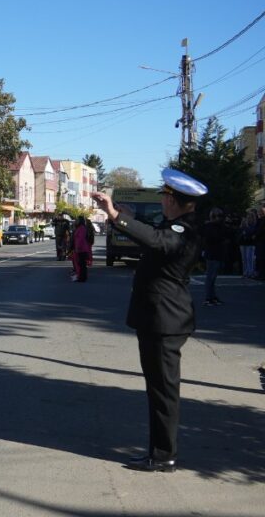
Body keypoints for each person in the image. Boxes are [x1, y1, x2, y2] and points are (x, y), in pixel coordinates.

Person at [92, 167, 206, 473]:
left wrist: (116, 214)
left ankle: (163, 455)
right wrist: (125, 216)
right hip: (159, 320)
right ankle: (159, 451)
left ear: (175, 201)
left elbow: (157, 240)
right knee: (158, 390)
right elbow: (155, 235)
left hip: (164, 322)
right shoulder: (179, 226)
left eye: (165, 197)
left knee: (163, 393)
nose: (162, 203)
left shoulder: (185, 230)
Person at [200, 208, 227, 305]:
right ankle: (208, 297)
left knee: (213, 277)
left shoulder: (218, 226)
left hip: (216, 253)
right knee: (210, 277)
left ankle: (212, 296)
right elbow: (211, 239)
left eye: (220, 216)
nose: (219, 218)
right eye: (218, 216)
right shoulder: (210, 227)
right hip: (212, 253)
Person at [238, 208, 258, 278]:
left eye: (250, 217)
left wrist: (246, 229)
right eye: (248, 217)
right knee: (244, 258)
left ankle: (250, 272)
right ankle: (245, 272)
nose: (248, 218)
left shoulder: (254, 225)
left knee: (250, 258)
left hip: (251, 243)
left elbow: (251, 232)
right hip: (243, 243)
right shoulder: (244, 224)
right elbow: (240, 231)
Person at [72, 215, 92, 283]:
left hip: (81, 248)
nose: (76, 221)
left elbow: (81, 239)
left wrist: (78, 247)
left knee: (82, 264)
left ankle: (82, 278)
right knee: (81, 264)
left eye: (77, 220)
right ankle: (82, 277)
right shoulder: (80, 227)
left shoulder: (82, 228)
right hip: (80, 248)